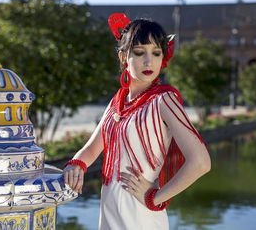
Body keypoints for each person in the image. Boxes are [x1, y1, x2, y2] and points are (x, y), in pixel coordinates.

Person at [63, 13, 211, 230]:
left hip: (142, 214)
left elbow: (201, 162)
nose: (149, 61)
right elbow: (93, 148)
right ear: (123, 58)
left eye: (156, 53)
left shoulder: (164, 100)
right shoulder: (118, 100)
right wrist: (76, 164)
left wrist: (155, 197)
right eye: (140, 52)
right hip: (110, 208)